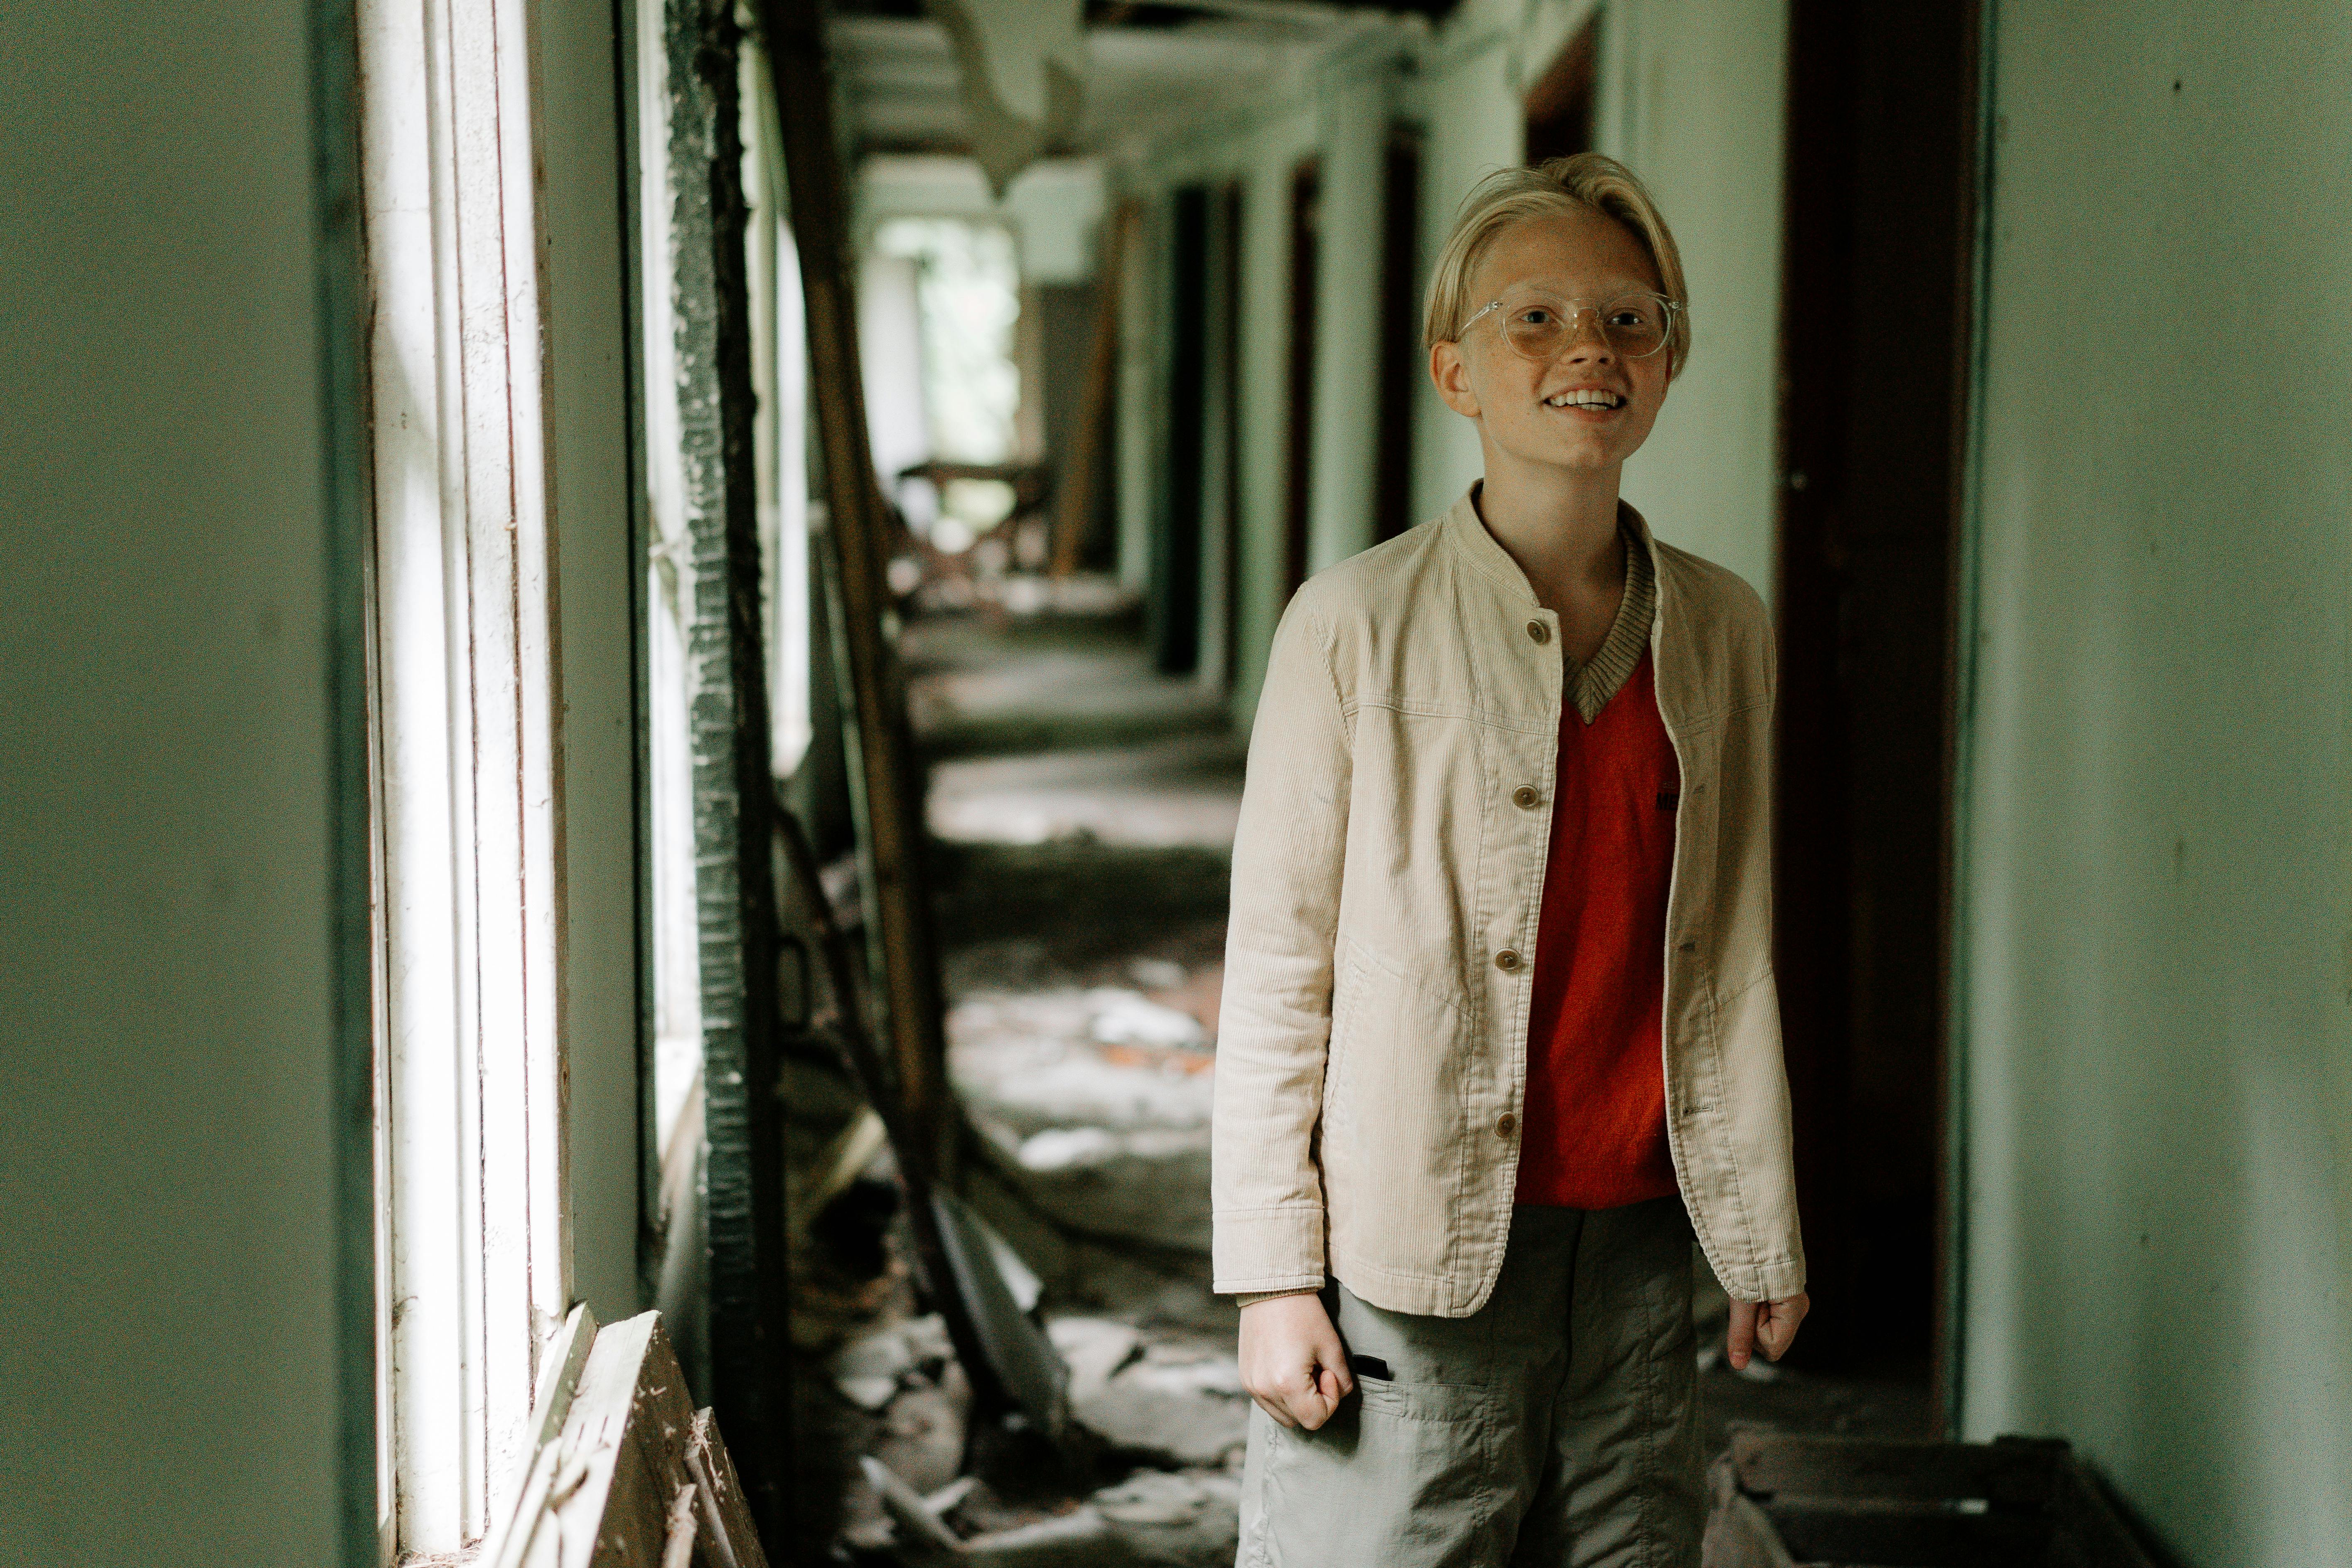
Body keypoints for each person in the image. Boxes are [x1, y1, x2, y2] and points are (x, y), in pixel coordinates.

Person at [1211, 154, 1809, 1567]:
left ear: (1668, 360)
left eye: (1629, 316)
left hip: (1647, 1258)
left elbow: (1727, 952)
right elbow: (1280, 966)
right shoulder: (1352, 627)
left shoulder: (1723, 631)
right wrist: (1272, 1275)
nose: (1588, 347)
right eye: (1532, 317)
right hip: (1418, 1258)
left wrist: (1759, 1224)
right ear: (1455, 370)